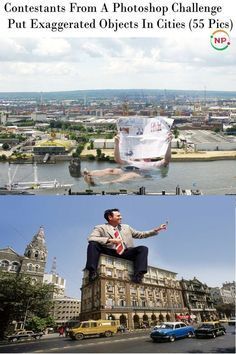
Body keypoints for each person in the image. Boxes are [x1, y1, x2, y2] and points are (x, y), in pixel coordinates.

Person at [85, 208, 167, 284]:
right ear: (110, 217)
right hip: (109, 250)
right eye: (118, 216)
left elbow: (141, 234)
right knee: (93, 244)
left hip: (126, 252)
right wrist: (110, 240)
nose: (121, 217)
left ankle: (138, 275)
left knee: (143, 249)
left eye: (120, 215)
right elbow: (91, 238)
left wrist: (157, 229)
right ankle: (92, 272)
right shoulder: (100, 228)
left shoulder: (126, 227)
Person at [83, 133, 172, 186]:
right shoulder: (133, 160)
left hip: (142, 174)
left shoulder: (154, 163)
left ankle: (99, 184)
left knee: (130, 175)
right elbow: (118, 159)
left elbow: (167, 160)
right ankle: (89, 174)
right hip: (130, 168)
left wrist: (169, 143)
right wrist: (116, 144)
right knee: (111, 170)